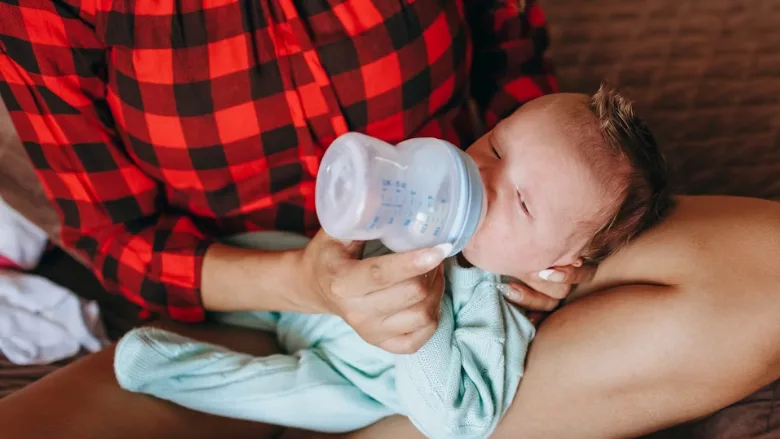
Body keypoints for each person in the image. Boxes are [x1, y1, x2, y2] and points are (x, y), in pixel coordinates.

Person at [0, 1, 778, 439]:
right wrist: (305, 280)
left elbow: (519, 84)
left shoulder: (518, 227)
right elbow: (114, 237)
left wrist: (538, 249)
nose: (480, 165)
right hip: (245, 294)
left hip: (485, 258)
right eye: (490, 151)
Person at [111, 87, 670, 439]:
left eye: (522, 203)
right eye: (497, 148)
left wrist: (422, 332)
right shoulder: (428, 202)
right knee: (268, 246)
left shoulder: (499, 314)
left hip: (348, 379)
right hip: (309, 294)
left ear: (559, 265)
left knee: (281, 393)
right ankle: (235, 312)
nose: (482, 178)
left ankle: (159, 365)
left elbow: (457, 421)